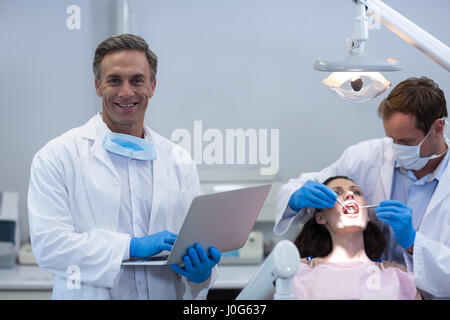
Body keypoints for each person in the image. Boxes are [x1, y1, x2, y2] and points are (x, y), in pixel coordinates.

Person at [27, 34, 221, 299]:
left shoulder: (179, 161)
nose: (126, 92)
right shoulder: (57, 157)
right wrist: (129, 247)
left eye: (137, 80)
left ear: (152, 86)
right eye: (114, 80)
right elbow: (49, 247)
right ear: (98, 86)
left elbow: (195, 243)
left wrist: (202, 274)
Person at [275, 77, 450, 299]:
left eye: (405, 142)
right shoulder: (366, 157)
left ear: (437, 128)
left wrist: (414, 243)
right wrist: (296, 198)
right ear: (320, 217)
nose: (395, 149)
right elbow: (300, 186)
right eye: (391, 139)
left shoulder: (396, 277)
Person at [292, 176, 420, 300]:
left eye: (356, 192)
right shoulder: (299, 272)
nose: (350, 195)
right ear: (320, 217)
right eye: (337, 192)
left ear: (367, 216)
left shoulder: (397, 276)